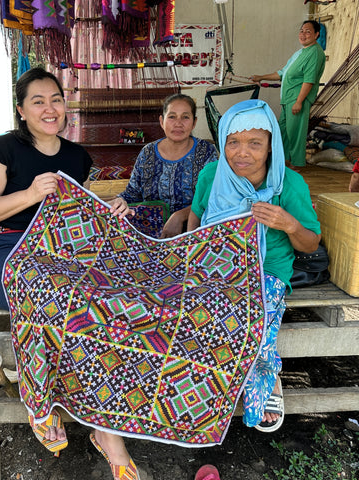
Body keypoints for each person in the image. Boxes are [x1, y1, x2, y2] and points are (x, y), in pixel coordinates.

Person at [0, 67, 139, 480]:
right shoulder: (2, 149)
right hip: (4, 250)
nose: (49, 108)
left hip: (60, 253)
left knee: (102, 297)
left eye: (55, 99)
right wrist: (27, 194)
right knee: (54, 293)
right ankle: (43, 401)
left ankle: (101, 426)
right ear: (21, 110)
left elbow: (77, 216)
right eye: (37, 101)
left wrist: (107, 211)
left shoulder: (77, 157)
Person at [187, 99, 321, 432]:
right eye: (233, 142)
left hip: (267, 269)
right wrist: (189, 259)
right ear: (222, 143)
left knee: (253, 318)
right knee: (194, 313)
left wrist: (288, 224)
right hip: (213, 265)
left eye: (255, 143)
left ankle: (267, 376)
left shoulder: (288, 184)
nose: (242, 153)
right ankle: (206, 388)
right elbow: (196, 217)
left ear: (271, 145)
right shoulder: (211, 175)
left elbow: (310, 243)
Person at [110, 93, 218, 238]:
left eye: (185, 117)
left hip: (193, 234)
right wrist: (120, 200)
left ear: (194, 122)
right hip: (149, 236)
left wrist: (179, 216)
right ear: (162, 121)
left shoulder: (206, 152)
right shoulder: (147, 153)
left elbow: (212, 197)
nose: (178, 123)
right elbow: (132, 194)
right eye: (172, 116)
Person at [251, 20, 325, 168]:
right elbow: (282, 73)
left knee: (295, 133)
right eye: (302, 30)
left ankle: (297, 164)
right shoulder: (300, 52)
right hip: (287, 99)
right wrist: (261, 77)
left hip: (298, 99)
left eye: (308, 31)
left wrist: (299, 101)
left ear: (317, 35)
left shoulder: (315, 53)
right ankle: (284, 161)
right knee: (283, 131)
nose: (303, 34)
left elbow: (309, 80)